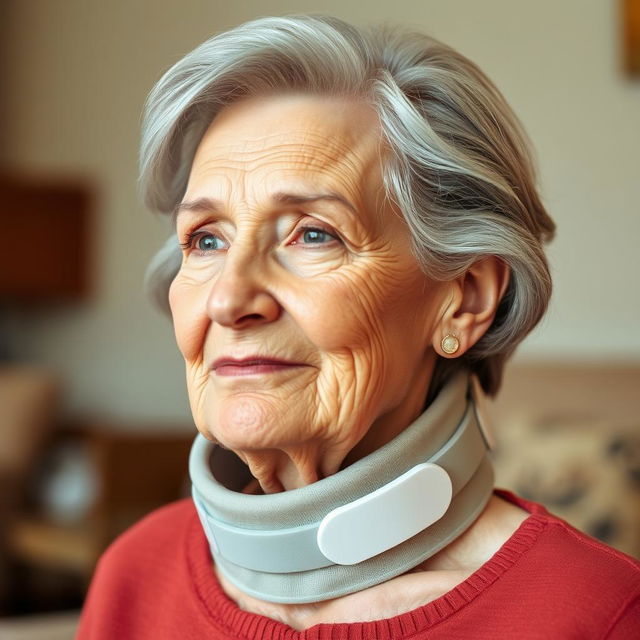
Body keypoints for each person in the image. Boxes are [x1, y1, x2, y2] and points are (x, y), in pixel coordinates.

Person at [76, 14, 640, 639]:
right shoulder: (134, 576)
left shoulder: (596, 614)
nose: (230, 299)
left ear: (464, 299)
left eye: (314, 234)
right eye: (205, 239)